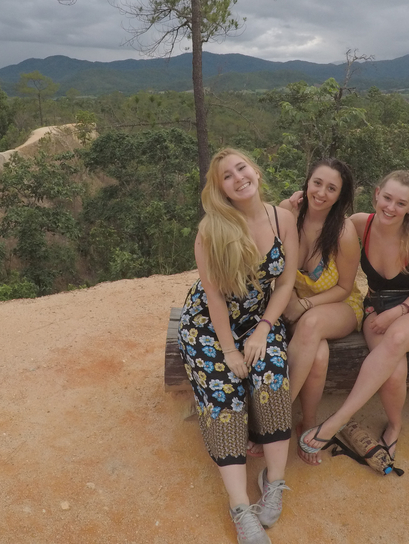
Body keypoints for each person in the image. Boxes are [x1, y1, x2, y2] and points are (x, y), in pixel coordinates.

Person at [178, 148, 299, 544]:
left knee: (271, 378)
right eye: (227, 177)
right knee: (224, 394)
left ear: (256, 172)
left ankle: (274, 481)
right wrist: (229, 351)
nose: (238, 178)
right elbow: (214, 298)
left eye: (241, 168)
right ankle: (240, 508)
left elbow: (285, 283)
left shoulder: (283, 219)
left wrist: (265, 328)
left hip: (259, 321)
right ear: (222, 190)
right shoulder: (211, 231)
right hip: (210, 327)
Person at [299, 169, 409, 462]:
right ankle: (395, 424)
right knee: (395, 372)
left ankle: (339, 419)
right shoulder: (360, 224)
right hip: (376, 305)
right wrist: (296, 203)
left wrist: (397, 314)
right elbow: (325, 221)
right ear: (377, 194)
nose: (391, 207)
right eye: (387, 198)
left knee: (398, 336)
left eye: (401, 203)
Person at [276, 159, 364, 466]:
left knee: (312, 324)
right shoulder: (289, 215)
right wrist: (286, 204)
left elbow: (344, 287)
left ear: (340, 195)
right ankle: (307, 423)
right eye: (317, 183)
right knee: (320, 355)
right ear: (307, 182)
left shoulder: (343, 232)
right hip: (295, 308)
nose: (322, 193)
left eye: (331, 188)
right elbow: (258, 225)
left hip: (337, 305)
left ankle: (274, 419)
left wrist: (305, 305)